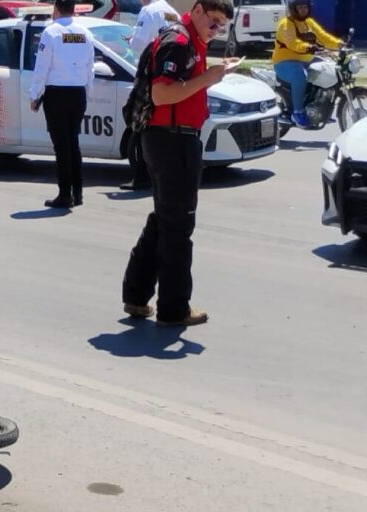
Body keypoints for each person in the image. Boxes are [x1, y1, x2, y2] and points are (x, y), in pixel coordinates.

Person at [121, 0, 234, 326]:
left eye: (220, 26)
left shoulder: (188, 41)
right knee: (178, 226)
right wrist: (209, 79)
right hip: (172, 140)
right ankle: (174, 308)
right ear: (197, 10)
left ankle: (136, 295)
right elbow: (162, 95)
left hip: (171, 139)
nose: (215, 30)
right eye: (212, 21)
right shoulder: (179, 41)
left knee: (165, 219)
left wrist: (212, 73)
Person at [29, 0, 94, 209]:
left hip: (57, 95)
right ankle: (78, 192)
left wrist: (35, 94)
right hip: (78, 93)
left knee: (62, 146)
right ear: (73, 10)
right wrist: (87, 93)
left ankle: (65, 194)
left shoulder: (51, 32)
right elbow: (90, 68)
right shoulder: (86, 33)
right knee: (73, 142)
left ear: (56, 9)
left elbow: (42, 67)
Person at [122, 0, 181, 191]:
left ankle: (142, 176)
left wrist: (130, 41)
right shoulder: (172, 12)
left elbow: (139, 45)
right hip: (169, 75)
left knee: (141, 123)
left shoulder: (148, 11)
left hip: (150, 74)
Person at [271, 0, 342, 128]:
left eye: (306, 6)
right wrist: (308, 47)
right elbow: (293, 43)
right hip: (285, 62)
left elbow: (323, 36)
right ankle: (298, 112)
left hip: (307, 61)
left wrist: (339, 44)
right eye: (300, 7)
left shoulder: (308, 22)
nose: (304, 9)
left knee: (329, 69)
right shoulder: (286, 24)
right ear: (293, 8)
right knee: (300, 76)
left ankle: (322, 107)